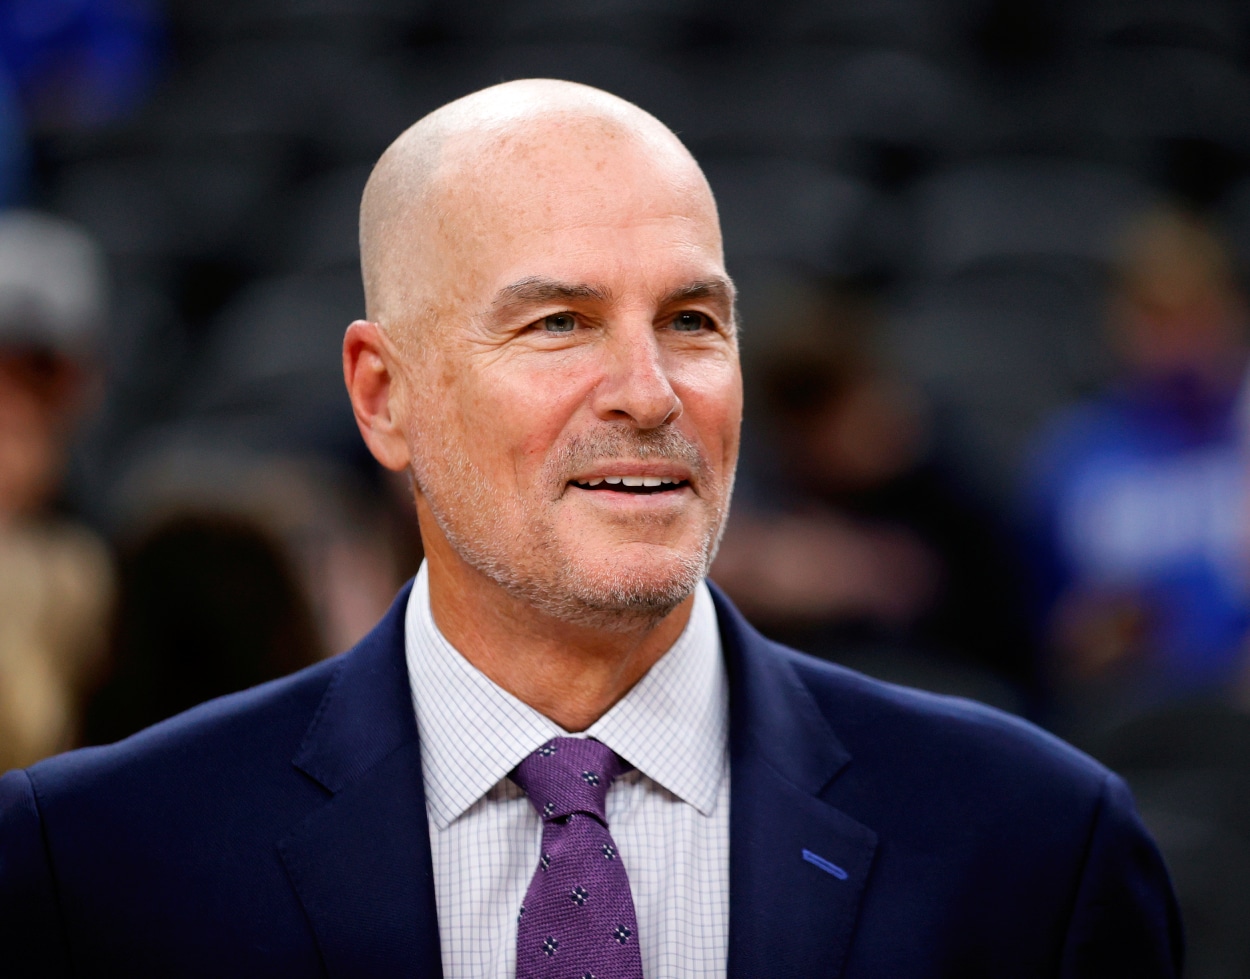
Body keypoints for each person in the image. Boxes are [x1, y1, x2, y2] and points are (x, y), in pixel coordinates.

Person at [0, 80, 1180, 977]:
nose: (649, 391)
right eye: (559, 322)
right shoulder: (95, 861)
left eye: (690, 319)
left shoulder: (1033, 847)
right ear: (383, 395)